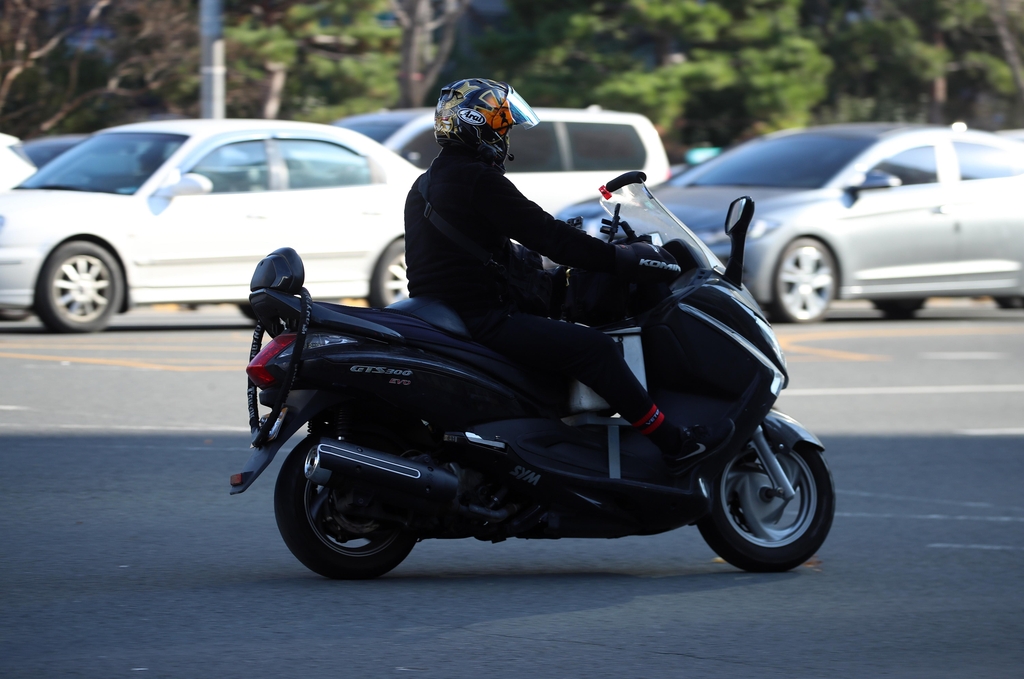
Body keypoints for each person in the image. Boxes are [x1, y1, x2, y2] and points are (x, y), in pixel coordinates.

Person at [403, 77, 733, 476]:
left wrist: (540, 265)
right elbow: (550, 237)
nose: (507, 136)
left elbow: (480, 251)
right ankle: (676, 444)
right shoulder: (478, 179)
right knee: (594, 349)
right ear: (479, 124)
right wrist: (624, 258)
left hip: (446, 313)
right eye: (503, 125)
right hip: (482, 318)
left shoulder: (427, 183)